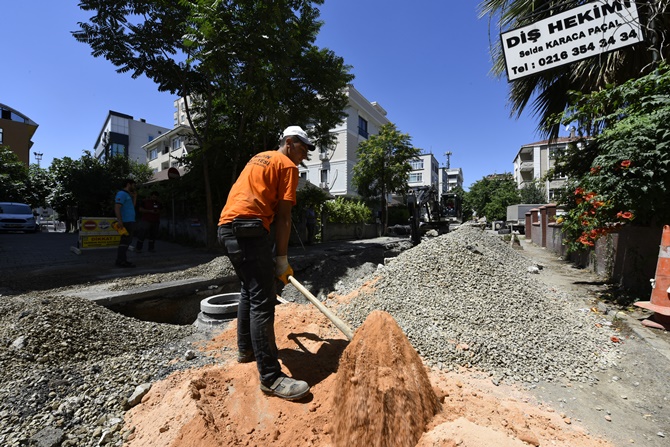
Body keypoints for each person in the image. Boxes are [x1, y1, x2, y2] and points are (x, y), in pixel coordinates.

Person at [217, 125, 314, 401]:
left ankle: (245, 350)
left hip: (226, 228)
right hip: (249, 229)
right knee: (263, 299)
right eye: (302, 146)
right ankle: (271, 378)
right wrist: (281, 260)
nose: (305, 153)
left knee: (250, 289)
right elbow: (284, 217)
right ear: (288, 142)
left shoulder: (259, 157)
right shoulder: (287, 166)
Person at [114, 178, 137, 268]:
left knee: (127, 241)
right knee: (124, 241)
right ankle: (121, 261)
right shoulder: (122, 194)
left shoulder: (127, 195)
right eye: (133, 185)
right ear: (128, 184)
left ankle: (121, 260)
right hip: (126, 222)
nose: (134, 187)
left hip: (130, 221)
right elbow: (117, 207)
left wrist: (135, 197)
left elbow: (132, 207)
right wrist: (120, 220)